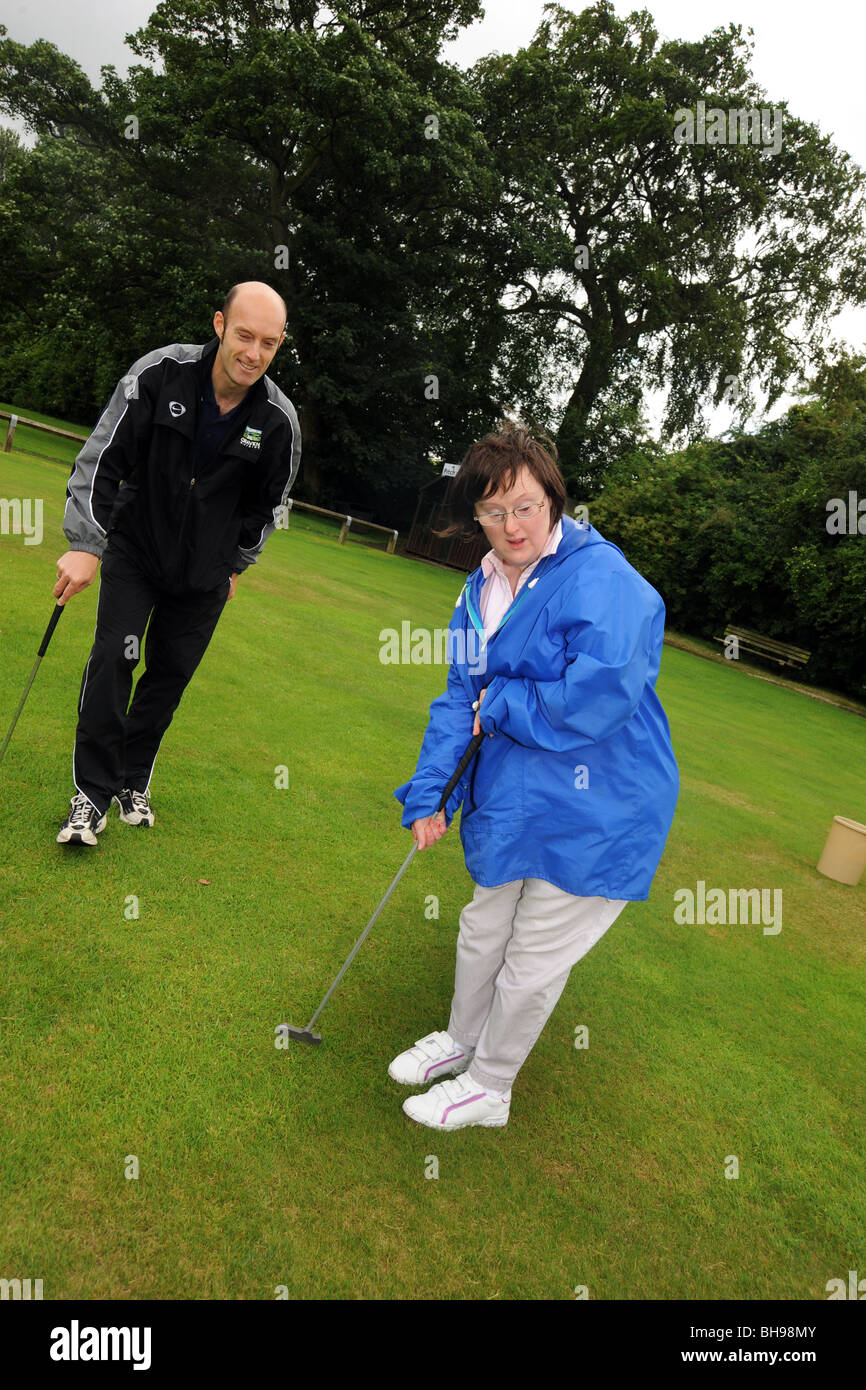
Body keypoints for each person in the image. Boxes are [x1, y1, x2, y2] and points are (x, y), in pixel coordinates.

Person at [391, 421, 679, 1130]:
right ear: (476, 515)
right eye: (493, 511)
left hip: (602, 804)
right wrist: (435, 792)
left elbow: (599, 694)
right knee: (483, 926)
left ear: (551, 499)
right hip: (518, 794)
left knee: (534, 956)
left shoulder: (606, 579)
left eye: (524, 505)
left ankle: (491, 1086)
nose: (510, 524)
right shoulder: (477, 588)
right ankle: (461, 1043)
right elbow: (462, 698)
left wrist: (509, 700)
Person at [54, 281, 301, 845]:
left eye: (268, 342)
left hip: (203, 577)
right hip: (135, 551)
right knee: (115, 663)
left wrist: (233, 563)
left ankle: (130, 780)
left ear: (280, 343)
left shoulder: (279, 421)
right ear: (219, 325)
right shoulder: (158, 374)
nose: (253, 353)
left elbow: (267, 509)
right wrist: (86, 544)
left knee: (167, 679)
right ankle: (89, 797)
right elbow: (100, 461)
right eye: (244, 335)